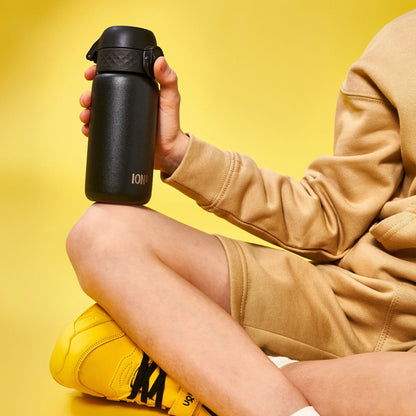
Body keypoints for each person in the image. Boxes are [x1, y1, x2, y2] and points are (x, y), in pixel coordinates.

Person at [50, 10, 416, 416]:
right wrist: (177, 153)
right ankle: (252, 384)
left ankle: (208, 381)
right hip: (349, 308)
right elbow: (330, 217)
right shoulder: (402, 43)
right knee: (102, 233)